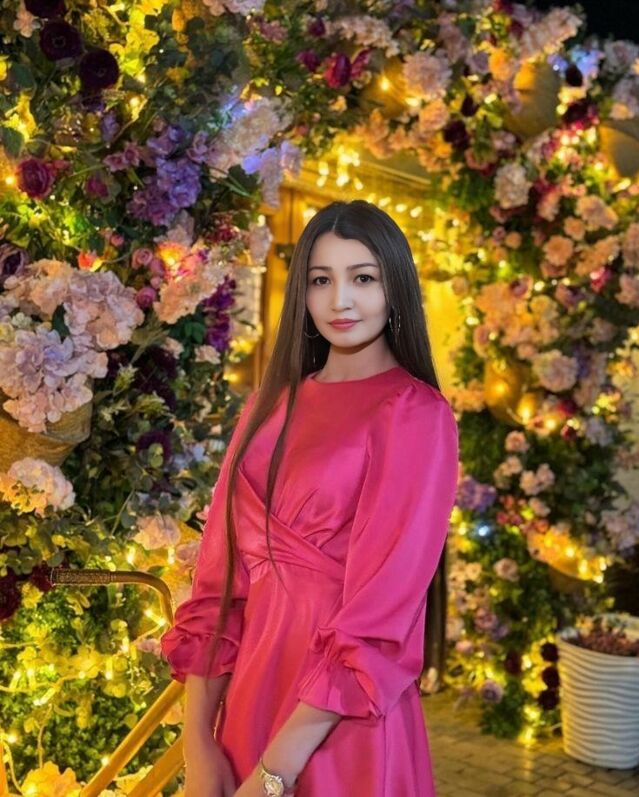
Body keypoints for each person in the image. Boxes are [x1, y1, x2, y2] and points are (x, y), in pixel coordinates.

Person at [160, 199, 460, 796]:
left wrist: (276, 771)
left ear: (395, 288)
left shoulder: (414, 413)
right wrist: (197, 743)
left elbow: (380, 616)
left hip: (340, 723)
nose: (340, 300)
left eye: (363, 278)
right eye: (322, 280)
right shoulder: (267, 405)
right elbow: (217, 589)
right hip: (249, 702)